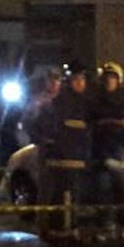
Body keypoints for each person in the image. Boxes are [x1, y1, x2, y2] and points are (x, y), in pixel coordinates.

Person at [41, 67, 92, 234]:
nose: (79, 83)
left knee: (73, 193)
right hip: (63, 156)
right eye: (76, 80)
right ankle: (58, 227)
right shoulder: (60, 102)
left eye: (82, 80)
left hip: (76, 156)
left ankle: (70, 226)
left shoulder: (85, 102)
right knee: (60, 192)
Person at [90, 62, 124, 232]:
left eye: (112, 78)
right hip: (101, 153)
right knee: (103, 191)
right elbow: (93, 122)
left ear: (119, 80)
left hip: (121, 153)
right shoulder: (96, 100)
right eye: (106, 78)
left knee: (123, 192)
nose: (109, 81)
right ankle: (106, 224)